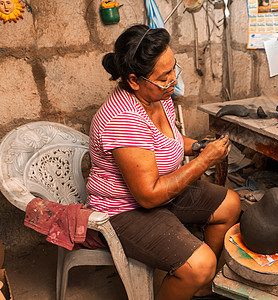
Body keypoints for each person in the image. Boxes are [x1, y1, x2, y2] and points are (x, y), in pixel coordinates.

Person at [86, 24, 241, 300]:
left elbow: (166, 138)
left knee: (230, 204)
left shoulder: (158, 95)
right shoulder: (123, 120)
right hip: (127, 210)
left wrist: (197, 147)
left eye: (173, 69)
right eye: (165, 75)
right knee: (200, 265)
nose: (173, 79)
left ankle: (200, 287)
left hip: (162, 192)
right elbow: (148, 196)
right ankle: (196, 277)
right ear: (134, 80)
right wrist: (205, 161)